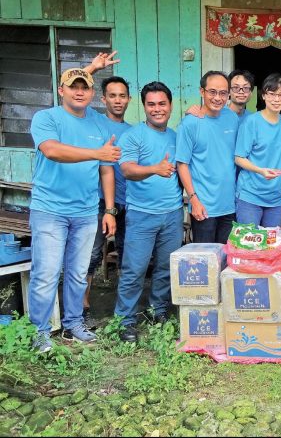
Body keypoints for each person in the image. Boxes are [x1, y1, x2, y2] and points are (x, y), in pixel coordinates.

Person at [28, 68, 120, 352]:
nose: (79, 92)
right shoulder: (46, 118)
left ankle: (73, 324)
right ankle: (39, 332)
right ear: (61, 90)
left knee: (78, 274)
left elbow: (106, 170)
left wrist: (109, 210)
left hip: (86, 211)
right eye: (73, 87)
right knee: (46, 274)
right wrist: (96, 153)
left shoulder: (98, 123)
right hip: (49, 209)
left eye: (85, 87)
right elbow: (52, 150)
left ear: (92, 93)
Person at [115, 82, 184, 343]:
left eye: (162, 103)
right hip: (141, 214)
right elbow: (127, 169)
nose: (157, 109)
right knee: (134, 269)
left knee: (165, 267)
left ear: (170, 106)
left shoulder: (175, 136)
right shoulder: (133, 136)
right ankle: (125, 321)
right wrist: (155, 168)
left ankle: (158, 311)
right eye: (151, 104)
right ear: (144, 106)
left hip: (173, 213)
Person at [82, 76, 132, 325]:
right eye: (112, 96)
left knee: (126, 255)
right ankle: (83, 308)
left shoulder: (133, 131)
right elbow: (75, 97)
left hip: (128, 201)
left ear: (129, 99)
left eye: (122, 96)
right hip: (101, 202)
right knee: (91, 255)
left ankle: (124, 311)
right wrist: (91, 69)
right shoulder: (95, 121)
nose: (118, 100)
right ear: (103, 99)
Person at [176, 71, 238, 244]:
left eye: (223, 93)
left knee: (226, 255)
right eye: (212, 92)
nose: (218, 98)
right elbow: (182, 164)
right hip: (203, 206)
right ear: (202, 91)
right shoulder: (189, 123)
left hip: (230, 205)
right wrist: (193, 199)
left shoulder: (232, 118)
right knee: (205, 257)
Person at [234, 73, 281, 227]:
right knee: (249, 240)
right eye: (272, 94)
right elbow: (239, 158)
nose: (276, 99)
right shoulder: (251, 122)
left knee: (272, 241)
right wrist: (261, 171)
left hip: (277, 198)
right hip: (250, 195)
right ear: (263, 95)